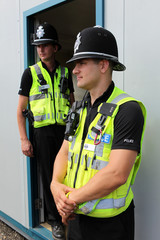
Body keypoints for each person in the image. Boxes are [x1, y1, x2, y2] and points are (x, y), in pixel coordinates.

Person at [50, 26, 146, 240]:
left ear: (103, 65)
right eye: (75, 64)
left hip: (109, 226)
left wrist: (69, 200)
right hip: (76, 218)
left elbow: (117, 174)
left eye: (82, 63)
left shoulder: (127, 109)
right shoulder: (79, 108)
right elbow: (65, 152)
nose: (75, 70)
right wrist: (55, 184)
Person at [17, 22, 75, 240]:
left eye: (45, 45)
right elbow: (20, 110)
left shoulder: (65, 72)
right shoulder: (30, 73)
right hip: (41, 133)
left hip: (64, 132)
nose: (41, 49)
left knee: (67, 173)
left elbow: (71, 102)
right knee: (49, 176)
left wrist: (74, 131)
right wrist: (24, 139)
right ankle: (55, 220)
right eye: (38, 46)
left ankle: (68, 211)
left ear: (55, 48)